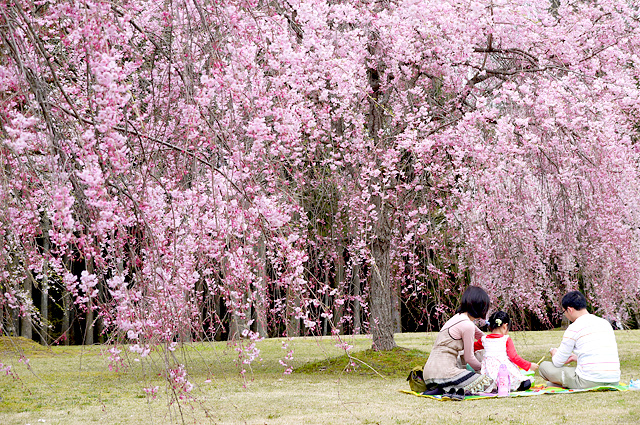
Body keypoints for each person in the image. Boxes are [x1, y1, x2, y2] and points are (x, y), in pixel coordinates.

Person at [422, 286, 493, 401]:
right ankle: (447, 387)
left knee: (475, 375)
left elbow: (483, 337)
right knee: (488, 382)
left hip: (428, 374)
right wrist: (486, 369)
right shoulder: (467, 325)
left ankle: (443, 388)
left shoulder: (458, 318)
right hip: (444, 373)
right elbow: (469, 357)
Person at [538, 290, 620, 389]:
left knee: (544, 367)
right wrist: (577, 357)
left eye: (564, 312)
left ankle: (563, 384)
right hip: (613, 380)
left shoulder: (574, 327)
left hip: (589, 381)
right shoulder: (604, 323)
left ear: (570, 310)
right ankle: (561, 384)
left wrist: (554, 353)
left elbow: (557, 362)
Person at [474, 311, 539, 392]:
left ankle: (495, 386)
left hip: (489, 373)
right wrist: (529, 365)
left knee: (489, 382)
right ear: (505, 326)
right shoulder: (506, 339)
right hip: (504, 371)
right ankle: (510, 386)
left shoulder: (484, 339)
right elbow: (514, 357)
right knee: (526, 382)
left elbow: (473, 347)